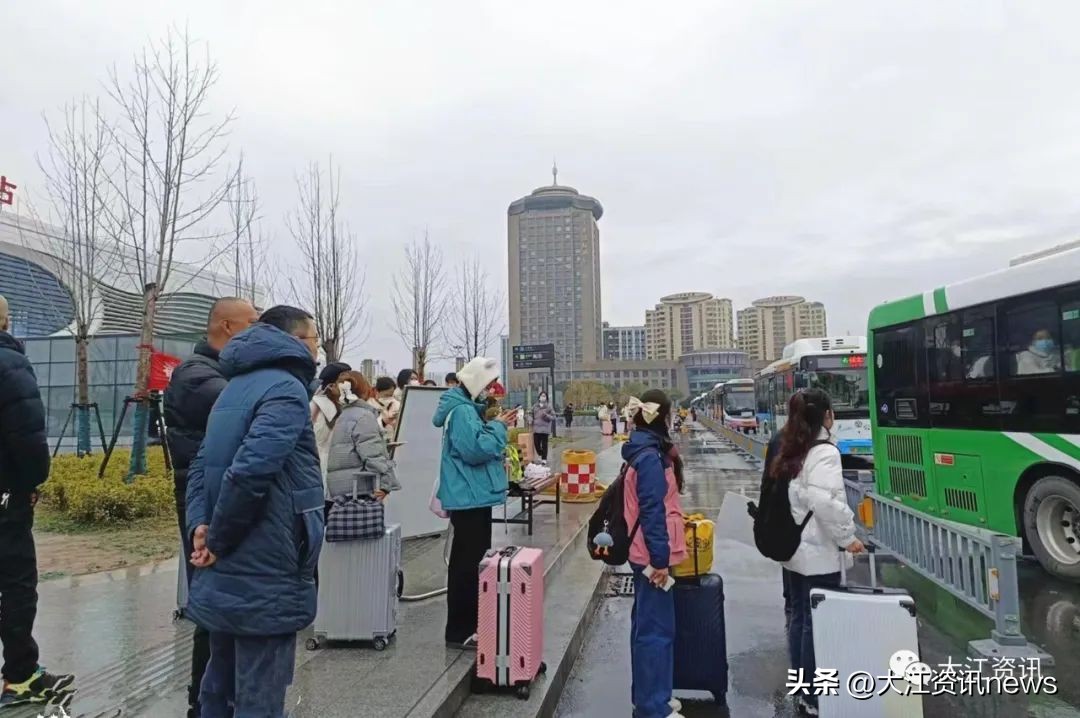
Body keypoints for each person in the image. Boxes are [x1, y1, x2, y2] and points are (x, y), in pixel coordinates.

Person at [185, 305, 325, 718]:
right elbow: (250, 472)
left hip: (229, 559)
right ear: (296, 341)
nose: (318, 349)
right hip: (267, 559)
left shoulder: (234, 388)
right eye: (316, 339)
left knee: (219, 685)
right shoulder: (285, 389)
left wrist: (201, 525)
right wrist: (217, 537)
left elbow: (201, 465)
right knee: (259, 694)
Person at [163, 296, 259, 717]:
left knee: (226, 603)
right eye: (252, 323)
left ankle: (221, 697)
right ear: (226, 327)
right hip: (203, 505)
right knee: (211, 604)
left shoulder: (221, 372)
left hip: (222, 503)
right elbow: (246, 410)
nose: (258, 332)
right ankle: (201, 702)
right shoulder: (197, 376)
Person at [0, 296, 74, 708]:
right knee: (15, 585)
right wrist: (32, 481)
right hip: (5, 497)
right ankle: (20, 676)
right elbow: (26, 435)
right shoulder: (9, 364)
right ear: (7, 322)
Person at [772, 389, 864, 716]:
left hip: (796, 550)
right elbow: (825, 502)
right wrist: (848, 537)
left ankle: (802, 689)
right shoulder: (824, 452)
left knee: (799, 617)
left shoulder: (792, 448)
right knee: (815, 623)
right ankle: (813, 696)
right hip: (817, 552)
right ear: (826, 416)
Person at [432, 357, 516, 650]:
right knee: (466, 565)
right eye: (489, 385)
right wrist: (498, 428)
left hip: (471, 495)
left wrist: (493, 422)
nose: (491, 391)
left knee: (468, 561)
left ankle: (466, 625)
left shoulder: (464, 410)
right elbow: (477, 449)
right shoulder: (463, 412)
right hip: (469, 496)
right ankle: (460, 629)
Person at [622, 390, 686, 718]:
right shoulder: (650, 457)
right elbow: (652, 510)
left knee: (648, 626)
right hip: (651, 556)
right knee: (656, 631)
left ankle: (651, 696)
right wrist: (659, 559)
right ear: (662, 416)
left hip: (647, 552)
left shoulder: (646, 449)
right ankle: (653, 707)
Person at [326, 372, 400, 499]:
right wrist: (385, 484)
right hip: (360, 488)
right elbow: (372, 453)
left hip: (340, 488)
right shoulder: (363, 416)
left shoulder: (344, 415)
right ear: (365, 390)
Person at [310, 362, 352, 484]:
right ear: (331, 385)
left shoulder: (342, 404)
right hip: (321, 469)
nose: (347, 386)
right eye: (343, 381)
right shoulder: (316, 405)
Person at [531, 392, 556, 461]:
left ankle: (544, 459)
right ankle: (541, 453)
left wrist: (546, 415)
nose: (543, 397)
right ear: (539, 397)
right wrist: (530, 418)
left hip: (545, 429)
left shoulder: (549, 407)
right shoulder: (535, 406)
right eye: (541, 396)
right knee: (536, 444)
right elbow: (530, 414)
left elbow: (553, 417)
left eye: (544, 396)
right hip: (536, 428)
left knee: (544, 444)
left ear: (546, 398)